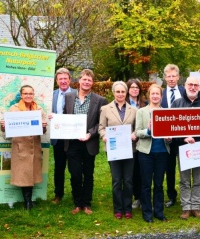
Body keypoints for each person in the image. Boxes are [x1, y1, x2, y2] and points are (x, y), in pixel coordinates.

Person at [64, 69, 108, 215]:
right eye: (84, 79)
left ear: (92, 82)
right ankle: (77, 203)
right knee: (75, 174)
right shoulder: (69, 97)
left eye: (89, 80)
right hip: (72, 142)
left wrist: (90, 134)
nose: (86, 82)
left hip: (89, 142)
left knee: (88, 174)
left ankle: (87, 204)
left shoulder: (100, 100)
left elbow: (101, 123)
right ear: (79, 81)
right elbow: (65, 117)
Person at [171, 76, 200, 219]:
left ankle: (195, 206)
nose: (193, 87)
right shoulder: (177, 104)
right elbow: (172, 127)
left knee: (198, 179)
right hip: (183, 147)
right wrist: (184, 137)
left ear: (199, 87)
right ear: (185, 85)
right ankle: (185, 207)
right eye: (190, 84)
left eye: (195, 85)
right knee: (184, 180)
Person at [0, 85, 47, 210]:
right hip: (21, 146)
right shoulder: (13, 109)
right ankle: (27, 202)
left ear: (33, 95)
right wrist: (3, 126)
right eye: (25, 93)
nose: (28, 96)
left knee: (31, 174)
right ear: (21, 95)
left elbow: (43, 130)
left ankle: (29, 201)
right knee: (24, 175)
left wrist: (43, 126)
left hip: (34, 146)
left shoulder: (39, 109)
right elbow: (6, 129)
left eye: (30, 93)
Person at [99, 81, 137, 219]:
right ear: (113, 92)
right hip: (113, 149)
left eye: (123, 92)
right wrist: (104, 136)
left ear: (126, 93)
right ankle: (118, 208)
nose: (120, 94)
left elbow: (137, 128)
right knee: (116, 180)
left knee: (127, 180)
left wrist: (135, 135)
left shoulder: (134, 110)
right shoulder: (105, 109)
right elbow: (101, 128)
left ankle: (127, 208)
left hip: (129, 150)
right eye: (118, 92)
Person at [136, 84, 171, 223]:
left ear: (161, 97)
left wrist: (169, 139)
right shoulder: (141, 112)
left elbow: (170, 132)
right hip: (146, 152)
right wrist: (148, 131)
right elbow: (137, 132)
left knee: (158, 184)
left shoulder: (166, 112)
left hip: (162, 152)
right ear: (149, 96)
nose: (155, 96)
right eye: (153, 94)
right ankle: (147, 212)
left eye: (158, 94)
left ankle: (159, 212)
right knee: (145, 184)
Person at [160, 64, 185, 208]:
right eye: (168, 76)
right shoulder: (160, 94)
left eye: (173, 76)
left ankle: (186, 195)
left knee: (185, 167)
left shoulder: (185, 91)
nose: (171, 79)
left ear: (178, 77)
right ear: (164, 78)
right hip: (167, 138)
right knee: (169, 168)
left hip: (183, 137)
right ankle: (171, 196)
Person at [50, 68, 75, 204]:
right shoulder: (52, 95)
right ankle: (58, 194)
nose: (63, 81)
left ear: (70, 80)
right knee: (59, 167)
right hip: (58, 137)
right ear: (57, 81)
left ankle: (75, 193)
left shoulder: (77, 94)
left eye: (66, 78)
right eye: (61, 79)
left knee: (74, 167)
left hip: (72, 138)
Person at [126, 79, 148, 210]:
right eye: (132, 87)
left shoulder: (145, 103)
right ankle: (134, 196)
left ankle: (141, 196)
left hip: (143, 141)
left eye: (137, 87)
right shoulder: (124, 103)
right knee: (132, 171)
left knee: (141, 171)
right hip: (128, 142)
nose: (135, 89)